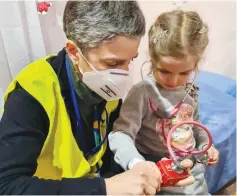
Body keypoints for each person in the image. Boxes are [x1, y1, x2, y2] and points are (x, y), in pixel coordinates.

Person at [0, 1, 163, 195]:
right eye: (113, 62)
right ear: (74, 52)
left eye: (131, 60)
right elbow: (7, 186)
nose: (124, 74)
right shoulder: (31, 95)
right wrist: (104, 188)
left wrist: (157, 169)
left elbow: (109, 158)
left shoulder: (107, 90)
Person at [109, 9, 220, 195]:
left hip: (196, 182)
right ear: (152, 59)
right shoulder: (142, 93)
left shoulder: (190, 90)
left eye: (184, 73)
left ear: (195, 66)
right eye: (164, 71)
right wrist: (137, 163)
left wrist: (206, 147)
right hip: (161, 182)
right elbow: (120, 134)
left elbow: (195, 126)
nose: (173, 81)